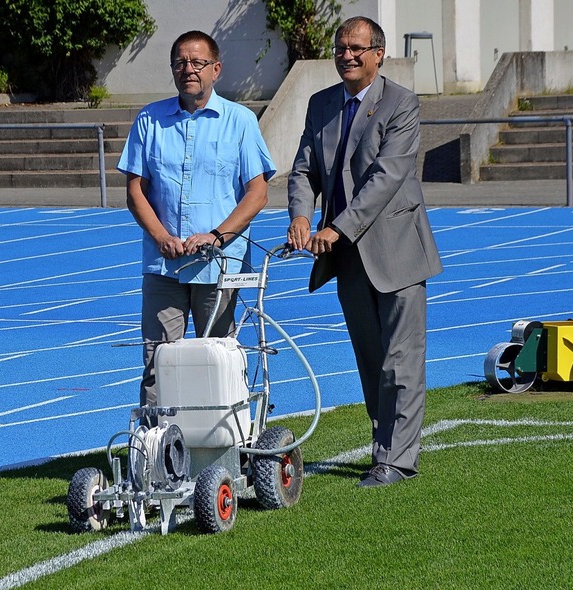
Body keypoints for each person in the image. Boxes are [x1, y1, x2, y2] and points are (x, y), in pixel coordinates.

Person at [287, 16, 442, 487]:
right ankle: (383, 446)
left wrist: (335, 227)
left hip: (395, 249)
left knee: (401, 358)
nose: (347, 56)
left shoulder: (401, 102)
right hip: (347, 256)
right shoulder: (320, 104)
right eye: (340, 48)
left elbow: (386, 178)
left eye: (356, 48)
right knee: (370, 358)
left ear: (378, 53)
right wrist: (299, 214)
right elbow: (303, 170)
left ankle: (397, 460)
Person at [117, 30, 276, 418]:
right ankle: (155, 457)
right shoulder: (149, 120)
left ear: (216, 69)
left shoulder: (239, 121)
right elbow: (135, 189)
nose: (189, 70)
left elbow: (257, 193)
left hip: (219, 267)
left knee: (218, 362)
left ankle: (226, 448)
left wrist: (218, 237)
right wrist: (160, 237)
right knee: (158, 365)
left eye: (198, 62)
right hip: (164, 266)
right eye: (180, 63)